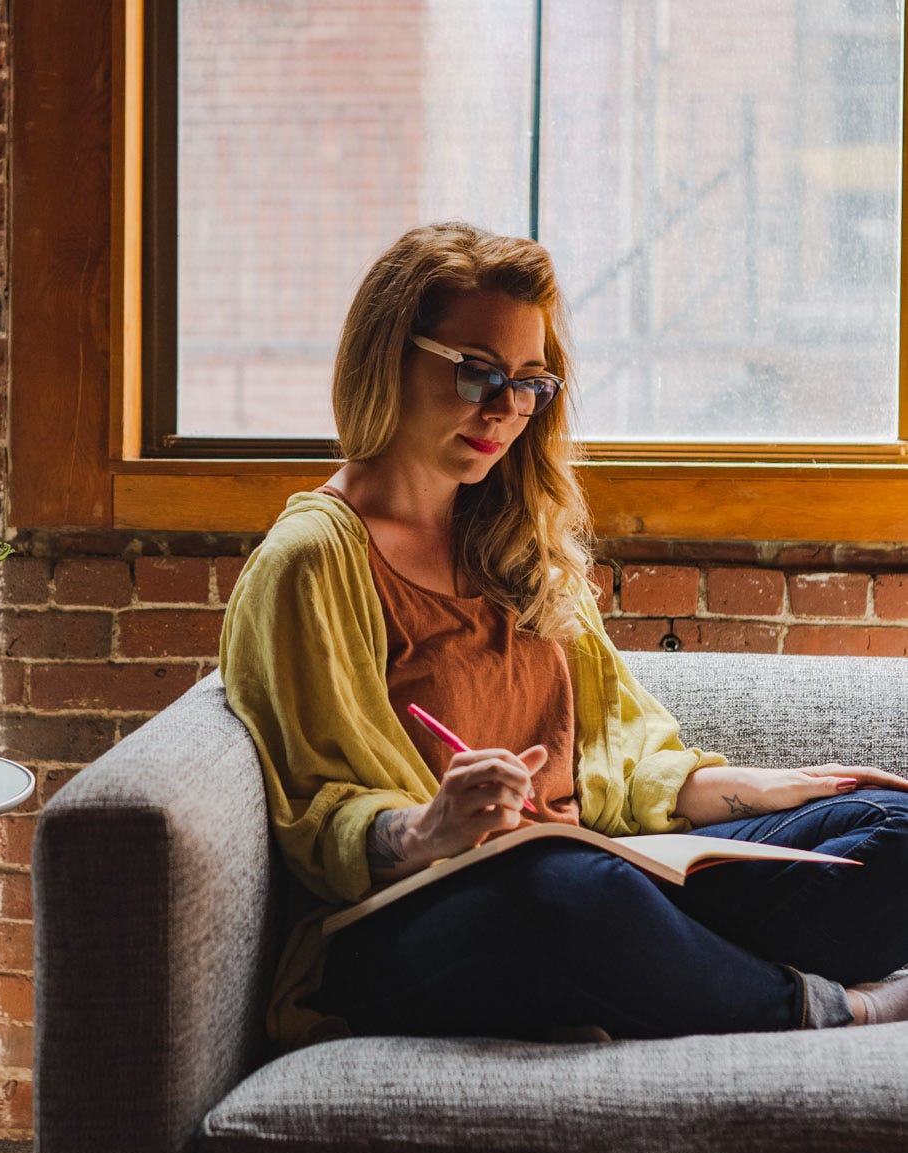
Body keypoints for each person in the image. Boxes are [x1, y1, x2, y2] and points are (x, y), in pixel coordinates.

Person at [217, 223, 908, 1053]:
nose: (506, 409)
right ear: (386, 357)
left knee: (888, 825)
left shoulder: (514, 542)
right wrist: (433, 826)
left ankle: (664, 979)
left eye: (530, 384)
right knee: (563, 892)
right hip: (420, 920)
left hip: (602, 877)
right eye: (477, 372)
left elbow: (618, 766)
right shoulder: (311, 562)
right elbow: (315, 812)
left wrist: (764, 789)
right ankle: (829, 1009)